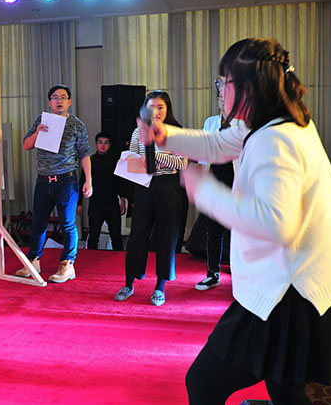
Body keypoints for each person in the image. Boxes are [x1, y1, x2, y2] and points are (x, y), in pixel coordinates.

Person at [140, 38, 331, 405]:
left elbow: (275, 224)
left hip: (288, 293)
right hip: (307, 282)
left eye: (223, 82)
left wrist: (203, 190)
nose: (220, 91)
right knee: (286, 392)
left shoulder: (275, 140)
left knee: (204, 386)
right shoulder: (271, 122)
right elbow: (219, 143)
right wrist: (165, 136)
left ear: (247, 87)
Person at [114, 90, 188, 306]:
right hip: (144, 186)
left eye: (160, 107)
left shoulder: (176, 132)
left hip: (168, 187)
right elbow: (133, 157)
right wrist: (138, 160)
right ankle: (129, 284)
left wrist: (156, 157)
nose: (155, 112)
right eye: (151, 107)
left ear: (167, 109)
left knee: (166, 237)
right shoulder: (138, 132)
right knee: (137, 236)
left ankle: (160, 288)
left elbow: (182, 163)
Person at [17, 85, 92, 283]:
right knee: (38, 222)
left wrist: (89, 180)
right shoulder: (41, 120)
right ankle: (33, 260)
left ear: (69, 102)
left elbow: (84, 153)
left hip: (66, 180)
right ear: (50, 102)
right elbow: (26, 145)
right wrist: (37, 132)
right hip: (43, 180)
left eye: (63, 97)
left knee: (67, 223)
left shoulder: (76, 124)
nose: (59, 101)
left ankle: (67, 264)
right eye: (55, 97)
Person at [195, 88, 238, 291]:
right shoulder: (211, 122)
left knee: (237, 233)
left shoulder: (244, 125)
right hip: (213, 184)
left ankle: (240, 274)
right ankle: (213, 274)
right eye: (221, 97)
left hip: (235, 186)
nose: (224, 101)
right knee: (213, 233)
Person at [77, 132, 126, 251]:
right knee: (94, 236)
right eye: (100, 142)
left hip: (112, 204)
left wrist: (123, 201)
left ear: (110, 145)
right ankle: (91, 259)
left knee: (116, 236)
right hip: (95, 204)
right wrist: (79, 203)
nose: (103, 145)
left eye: (106, 143)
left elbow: (121, 183)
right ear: (96, 144)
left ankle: (119, 260)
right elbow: (82, 181)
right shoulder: (90, 160)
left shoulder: (116, 160)